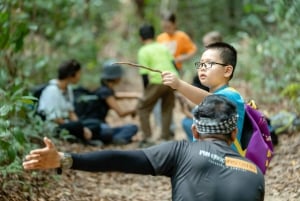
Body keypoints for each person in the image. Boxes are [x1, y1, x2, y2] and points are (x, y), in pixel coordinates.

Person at [23, 94, 265, 201]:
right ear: (234, 133)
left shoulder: (181, 151)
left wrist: (66, 159)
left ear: (194, 131)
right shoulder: (256, 175)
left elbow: (120, 159)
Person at [162, 42, 246, 155]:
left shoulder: (231, 95)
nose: (202, 68)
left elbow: (214, 102)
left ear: (227, 71)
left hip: (226, 163)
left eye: (209, 63)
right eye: (201, 64)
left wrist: (179, 85)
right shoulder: (210, 97)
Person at [38, 59, 101, 145]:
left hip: (67, 122)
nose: (80, 76)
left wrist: (82, 127)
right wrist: (79, 127)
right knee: (77, 126)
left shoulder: (68, 89)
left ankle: (82, 135)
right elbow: (55, 119)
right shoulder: (52, 91)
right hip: (55, 125)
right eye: (79, 73)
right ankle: (83, 139)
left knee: (94, 123)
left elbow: (71, 112)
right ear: (72, 75)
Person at [76, 61, 139, 145]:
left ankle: (106, 139)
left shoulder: (101, 89)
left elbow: (116, 96)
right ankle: (114, 139)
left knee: (131, 127)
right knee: (130, 128)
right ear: (116, 77)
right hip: (97, 127)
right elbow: (121, 113)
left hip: (87, 126)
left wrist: (135, 95)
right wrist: (135, 110)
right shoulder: (106, 92)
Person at [137, 24, 178, 145]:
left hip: (157, 80)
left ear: (141, 38)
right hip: (172, 78)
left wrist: (146, 92)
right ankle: (166, 137)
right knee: (167, 108)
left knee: (143, 107)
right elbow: (173, 64)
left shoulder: (143, 51)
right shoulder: (163, 47)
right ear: (154, 36)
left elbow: (144, 75)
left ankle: (147, 138)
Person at [181, 31, 223, 141]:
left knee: (187, 122)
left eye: (208, 45)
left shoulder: (217, 66)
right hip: (201, 105)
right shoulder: (207, 62)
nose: (205, 47)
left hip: (209, 108)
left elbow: (212, 99)